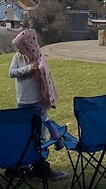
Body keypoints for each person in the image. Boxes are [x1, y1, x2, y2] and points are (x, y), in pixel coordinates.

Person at [9, 28, 66, 181]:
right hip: (22, 102)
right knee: (25, 135)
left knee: (39, 135)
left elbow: (46, 78)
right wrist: (28, 68)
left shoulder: (39, 58)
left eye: (22, 47)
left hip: (37, 102)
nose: (20, 51)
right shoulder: (17, 58)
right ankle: (24, 165)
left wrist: (39, 69)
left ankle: (39, 166)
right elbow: (11, 73)